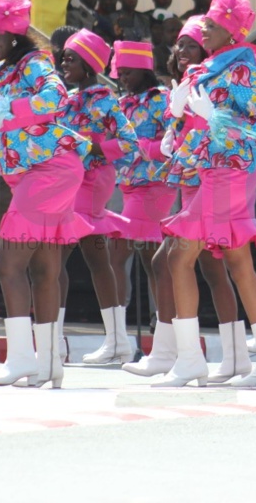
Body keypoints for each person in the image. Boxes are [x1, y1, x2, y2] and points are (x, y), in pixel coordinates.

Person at [0, 0, 92, 388]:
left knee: (8, 260)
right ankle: (49, 363)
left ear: (15, 34)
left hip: (50, 170)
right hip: (33, 173)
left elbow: (55, 98)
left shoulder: (35, 63)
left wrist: (0, 107)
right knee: (44, 266)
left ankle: (20, 358)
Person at [159, 0, 256, 387]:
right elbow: (199, 122)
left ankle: (190, 360)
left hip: (228, 173)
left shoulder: (241, 69)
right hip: (211, 171)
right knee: (238, 264)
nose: (205, 30)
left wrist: (213, 116)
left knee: (179, 259)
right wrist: (176, 125)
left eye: (212, 26)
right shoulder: (210, 67)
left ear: (231, 34)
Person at [127, 16, 247, 382]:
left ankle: (186, 353)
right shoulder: (185, 84)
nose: (182, 52)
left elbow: (228, 125)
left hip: (215, 180)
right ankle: (183, 352)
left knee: (192, 263)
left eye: (191, 45)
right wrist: (172, 132)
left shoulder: (212, 81)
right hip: (191, 184)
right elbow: (179, 137)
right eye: (179, 45)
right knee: (200, 267)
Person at [59, 33, 139, 365]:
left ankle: (55, 342)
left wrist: (93, 148)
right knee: (95, 259)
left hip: (91, 181)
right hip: (67, 181)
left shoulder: (104, 99)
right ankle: (117, 340)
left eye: (71, 59)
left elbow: (129, 141)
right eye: (63, 58)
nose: (64, 64)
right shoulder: (67, 98)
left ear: (90, 65)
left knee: (53, 256)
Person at [107, 42, 176, 366]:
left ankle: (133, 336)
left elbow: (173, 142)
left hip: (157, 184)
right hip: (129, 183)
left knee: (126, 252)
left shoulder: (162, 99)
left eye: (128, 72)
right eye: (119, 73)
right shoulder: (122, 103)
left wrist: (145, 147)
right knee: (148, 258)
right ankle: (131, 333)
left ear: (144, 71)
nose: (122, 78)